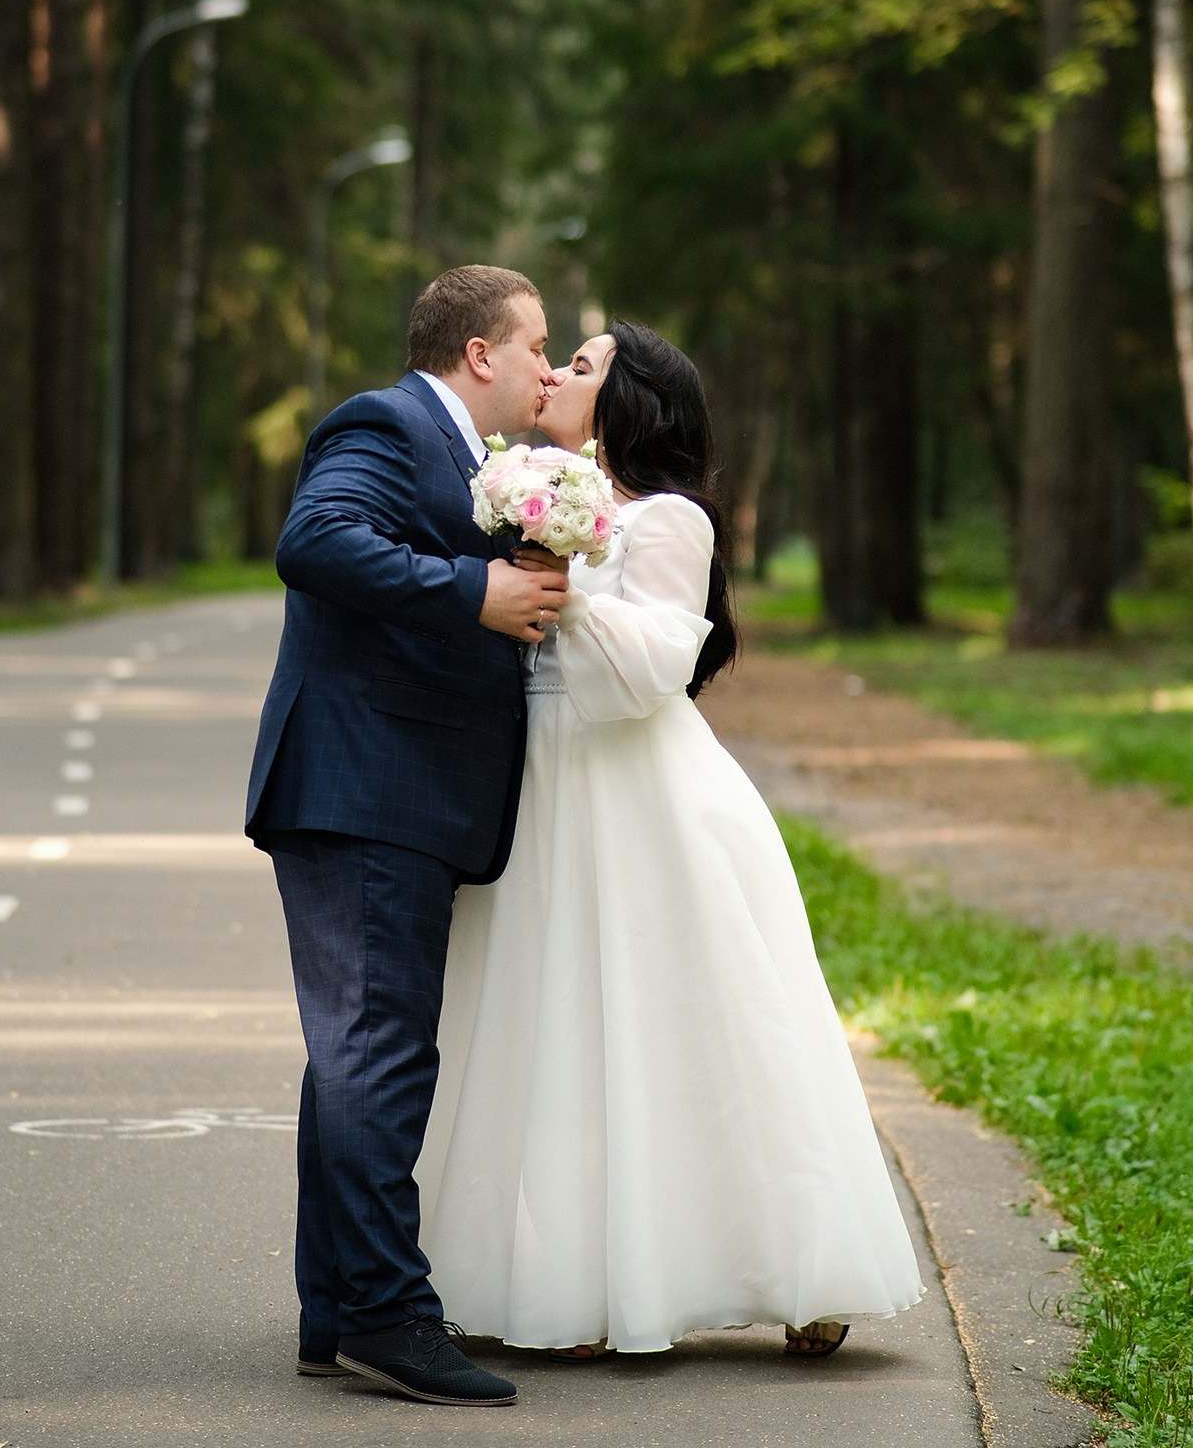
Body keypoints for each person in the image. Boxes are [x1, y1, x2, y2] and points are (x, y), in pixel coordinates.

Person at [417, 320, 926, 1358]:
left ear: (628, 400)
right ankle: (570, 1281)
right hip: (541, 786)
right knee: (550, 1027)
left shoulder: (667, 521)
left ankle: (798, 1262)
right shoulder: (521, 490)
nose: (557, 373)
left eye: (585, 364)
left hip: (641, 789)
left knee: (694, 1026)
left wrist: (558, 576)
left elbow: (649, 674)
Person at [245, 265, 570, 1408]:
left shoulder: (474, 462)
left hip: (395, 791)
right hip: (365, 786)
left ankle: (336, 1308)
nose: (547, 365)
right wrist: (470, 593)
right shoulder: (385, 423)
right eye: (537, 345)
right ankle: (390, 1312)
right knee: (379, 1051)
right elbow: (315, 541)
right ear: (479, 353)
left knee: (355, 1057)